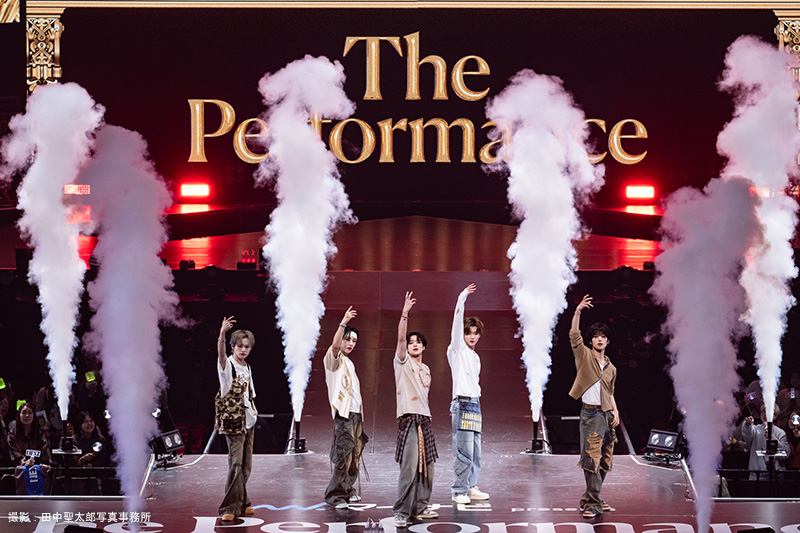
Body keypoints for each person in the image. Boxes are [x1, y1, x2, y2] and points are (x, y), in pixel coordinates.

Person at [569, 294, 619, 519]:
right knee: (592, 459)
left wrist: (615, 411)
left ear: (608, 341)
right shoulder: (584, 356)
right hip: (590, 414)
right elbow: (574, 335)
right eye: (596, 337)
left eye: (603, 337)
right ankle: (591, 502)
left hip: (607, 414)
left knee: (605, 460)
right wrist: (578, 311)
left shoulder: (611, 367)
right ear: (591, 341)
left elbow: (610, 391)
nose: (600, 339)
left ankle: (592, 497)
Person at [393, 291, 438, 528]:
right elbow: (401, 340)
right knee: (409, 467)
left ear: (424, 347)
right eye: (411, 342)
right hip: (409, 418)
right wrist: (405, 313)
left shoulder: (427, 369)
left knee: (427, 466)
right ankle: (401, 511)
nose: (413, 344)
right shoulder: (403, 362)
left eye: (418, 342)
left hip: (425, 419)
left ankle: (420, 506)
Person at [447, 283, 489, 504]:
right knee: (463, 450)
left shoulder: (475, 357)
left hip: (474, 403)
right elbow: (456, 323)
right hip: (462, 403)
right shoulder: (457, 349)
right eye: (468, 333)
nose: (472, 337)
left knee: (475, 450)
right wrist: (462, 298)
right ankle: (459, 490)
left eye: (475, 333)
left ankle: (471, 486)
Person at [214, 316, 257, 522]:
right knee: (236, 465)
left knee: (246, 465)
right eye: (239, 346)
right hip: (234, 422)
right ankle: (229, 507)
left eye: (247, 346)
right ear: (232, 346)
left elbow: (249, 392)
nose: (243, 350)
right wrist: (222, 334)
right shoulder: (227, 365)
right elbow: (221, 355)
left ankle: (243, 502)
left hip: (249, 421)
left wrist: (254, 408)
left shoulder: (247, 366)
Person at [323, 306, 364, 509]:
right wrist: (343, 323)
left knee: (354, 455)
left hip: (356, 414)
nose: (350, 344)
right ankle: (335, 495)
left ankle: (348, 488)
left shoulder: (349, 363)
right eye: (347, 339)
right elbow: (334, 346)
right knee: (343, 454)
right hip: (344, 415)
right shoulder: (334, 360)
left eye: (354, 341)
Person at [7, 401, 51, 494]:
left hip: (38, 470)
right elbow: (14, 453)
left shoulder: (40, 433)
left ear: (34, 415)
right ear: (19, 415)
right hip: (20, 471)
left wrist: (44, 463)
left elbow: (45, 450)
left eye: (30, 413)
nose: (27, 416)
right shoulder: (12, 435)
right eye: (23, 413)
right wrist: (24, 461)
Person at [741, 403, 789, 479]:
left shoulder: (780, 433)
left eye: (769, 412)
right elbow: (747, 435)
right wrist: (747, 424)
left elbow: (787, 452)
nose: (765, 415)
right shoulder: (755, 430)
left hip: (775, 475)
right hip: (756, 475)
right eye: (764, 412)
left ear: (775, 416)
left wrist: (774, 439)